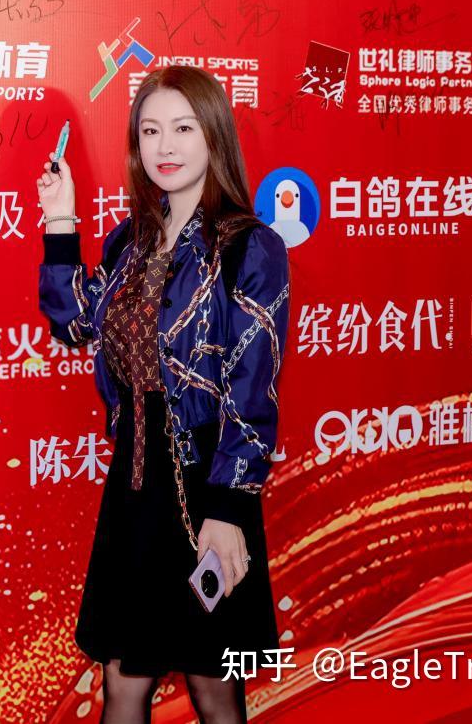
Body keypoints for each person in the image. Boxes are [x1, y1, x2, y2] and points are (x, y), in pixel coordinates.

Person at [36, 66, 291, 723]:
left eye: (183, 128)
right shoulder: (131, 240)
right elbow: (74, 323)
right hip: (135, 481)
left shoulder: (250, 246)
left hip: (209, 480)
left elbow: (252, 389)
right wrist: (60, 218)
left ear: (214, 136)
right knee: (123, 678)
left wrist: (228, 510)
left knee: (213, 683)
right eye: (150, 131)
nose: (165, 146)